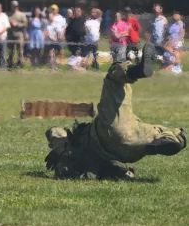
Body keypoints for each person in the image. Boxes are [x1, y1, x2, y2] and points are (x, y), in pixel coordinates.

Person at [45, 44, 186, 180]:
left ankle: (156, 145)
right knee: (113, 78)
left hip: (128, 154)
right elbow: (52, 131)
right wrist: (57, 142)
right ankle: (136, 71)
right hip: (110, 132)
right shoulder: (69, 144)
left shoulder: (74, 164)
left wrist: (59, 150)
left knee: (160, 134)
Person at [7, 0, 27, 69]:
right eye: (14, 6)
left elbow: (25, 24)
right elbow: (4, 23)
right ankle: (10, 63)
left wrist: (17, 24)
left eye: (16, 6)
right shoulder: (8, 14)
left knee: (20, 50)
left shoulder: (21, 15)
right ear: (11, 6)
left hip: (19, 35)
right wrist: (10, 22)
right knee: (10, 50)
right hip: (10, 34)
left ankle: (20, 63)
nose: (15, 7)